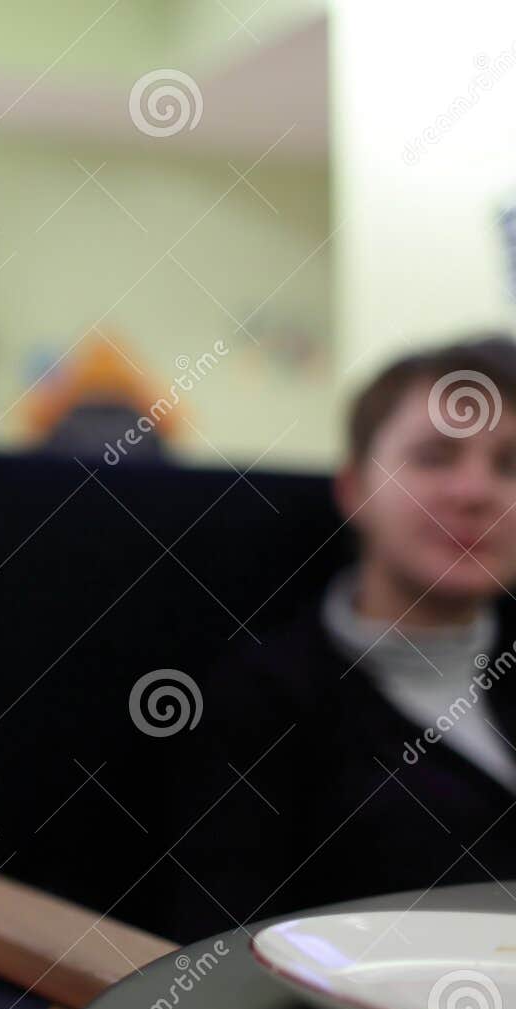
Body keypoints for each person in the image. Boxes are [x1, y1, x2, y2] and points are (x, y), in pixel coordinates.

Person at [167, 336, 516, 943]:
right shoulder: (261, 703)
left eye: (511, 466)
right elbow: (222, 950)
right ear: (354, 489)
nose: (474, 492)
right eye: (435, 457)